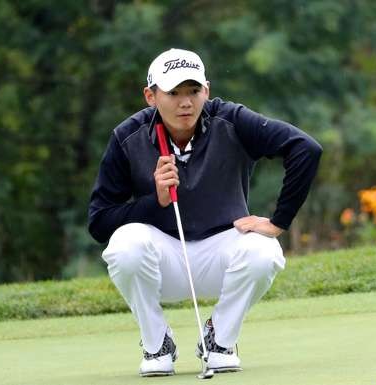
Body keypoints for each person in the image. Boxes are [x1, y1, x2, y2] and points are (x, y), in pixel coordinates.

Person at [87, 48, 322, 377]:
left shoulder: (232, 120)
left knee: (264, 250)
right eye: (173, 93)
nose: (185, 102)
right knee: (125, 244)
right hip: (160, 262)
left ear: (207, 91)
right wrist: (155, 201)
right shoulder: (128, 137)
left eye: (193, 91)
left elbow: (305, 148)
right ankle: (157, 344)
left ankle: (220, 340)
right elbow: (99, 223)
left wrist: (278, 221)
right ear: (150, 96)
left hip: (222, 258)